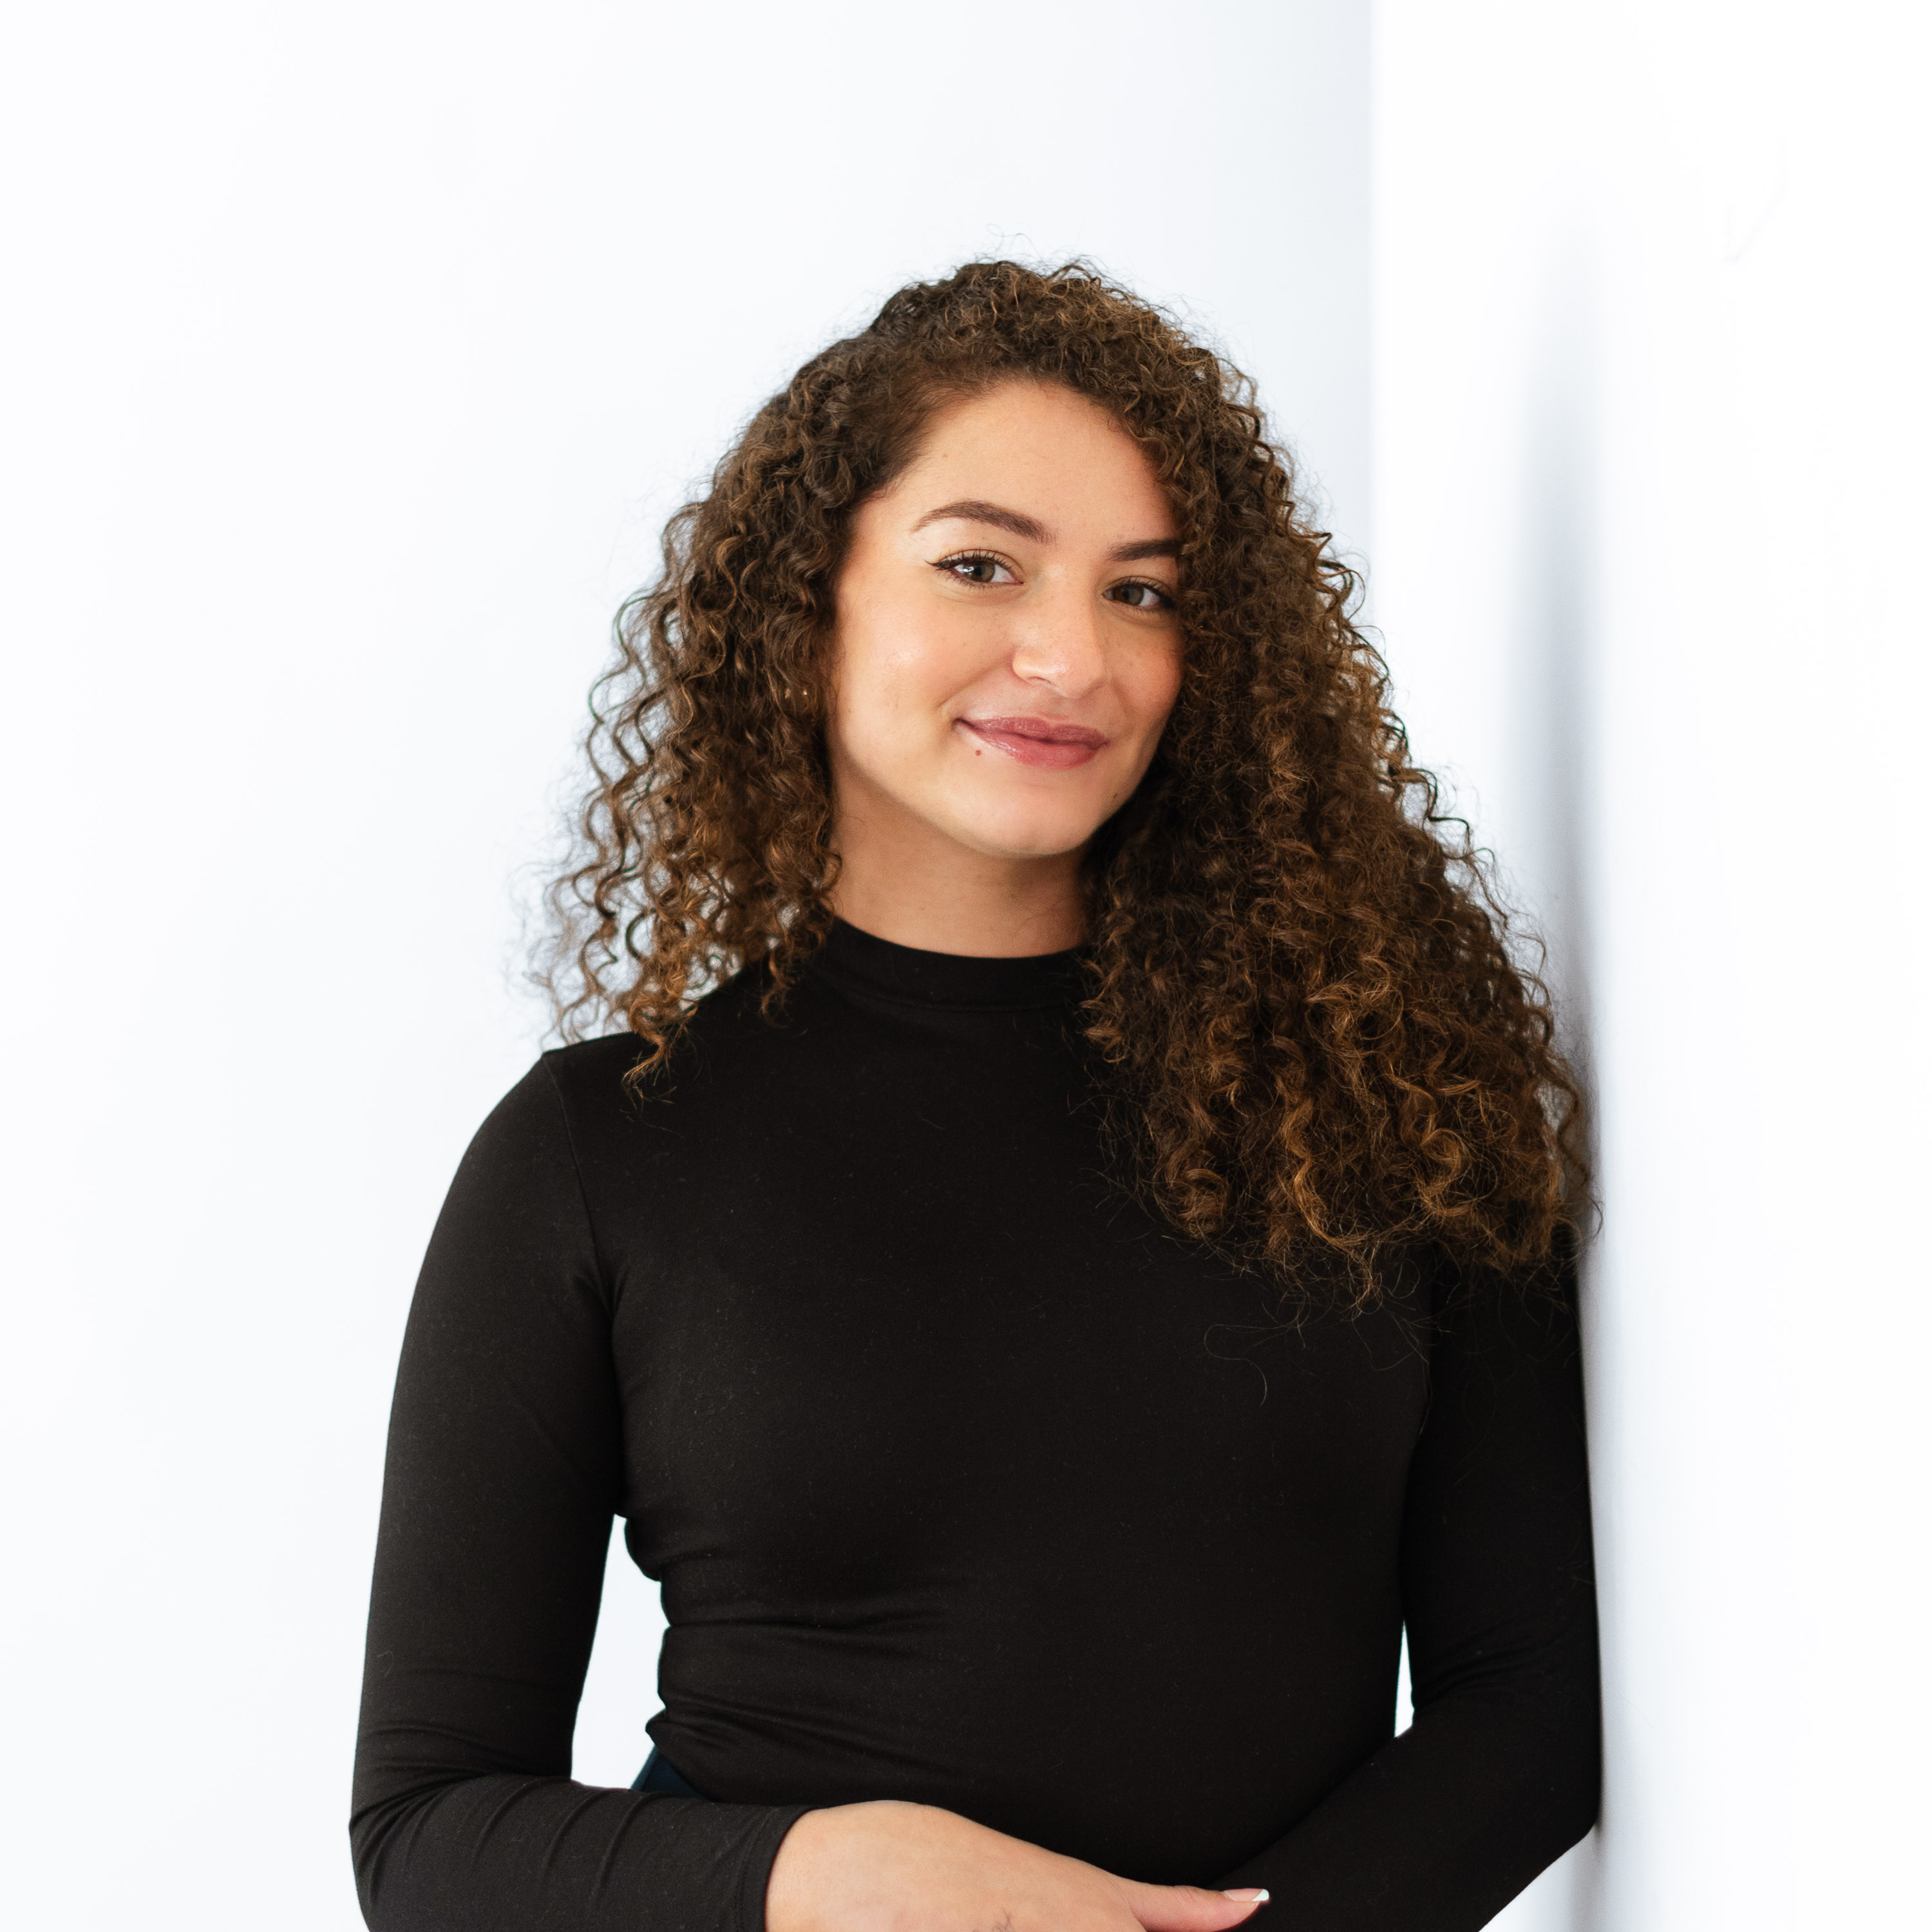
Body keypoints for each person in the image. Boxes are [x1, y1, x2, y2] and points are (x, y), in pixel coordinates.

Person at [350, 260, 1600, 1932]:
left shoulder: (1392, 1093)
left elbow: (1532, 1710)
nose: (1073, 654)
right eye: (980, 565)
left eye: (1146, 592)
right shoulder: (597, 1154)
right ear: (814, 604)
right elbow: (431, 1836)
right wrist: (821, 1873)